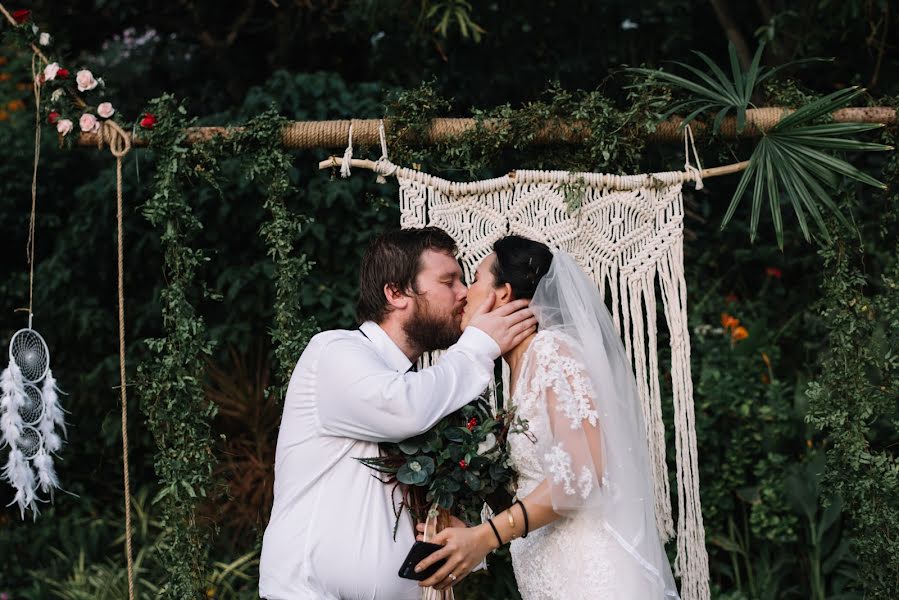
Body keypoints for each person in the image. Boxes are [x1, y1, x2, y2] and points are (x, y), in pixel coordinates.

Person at [258, 227, 537, 600]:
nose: (463, 293)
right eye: (448, 281)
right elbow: (404, 410)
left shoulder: (428, 387)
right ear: (396, 293)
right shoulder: (334, 353)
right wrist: (479, 347)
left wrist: (459, 531)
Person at [412, 235, 679, 598]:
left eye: (473, 279)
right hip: (551, 577)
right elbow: (534, 492)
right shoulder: (515, 375)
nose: (464, 294)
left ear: (502, 293)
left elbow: (581, 478)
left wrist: (485, 536)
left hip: (593, 577)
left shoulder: (552, 352)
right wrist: (468, 535)